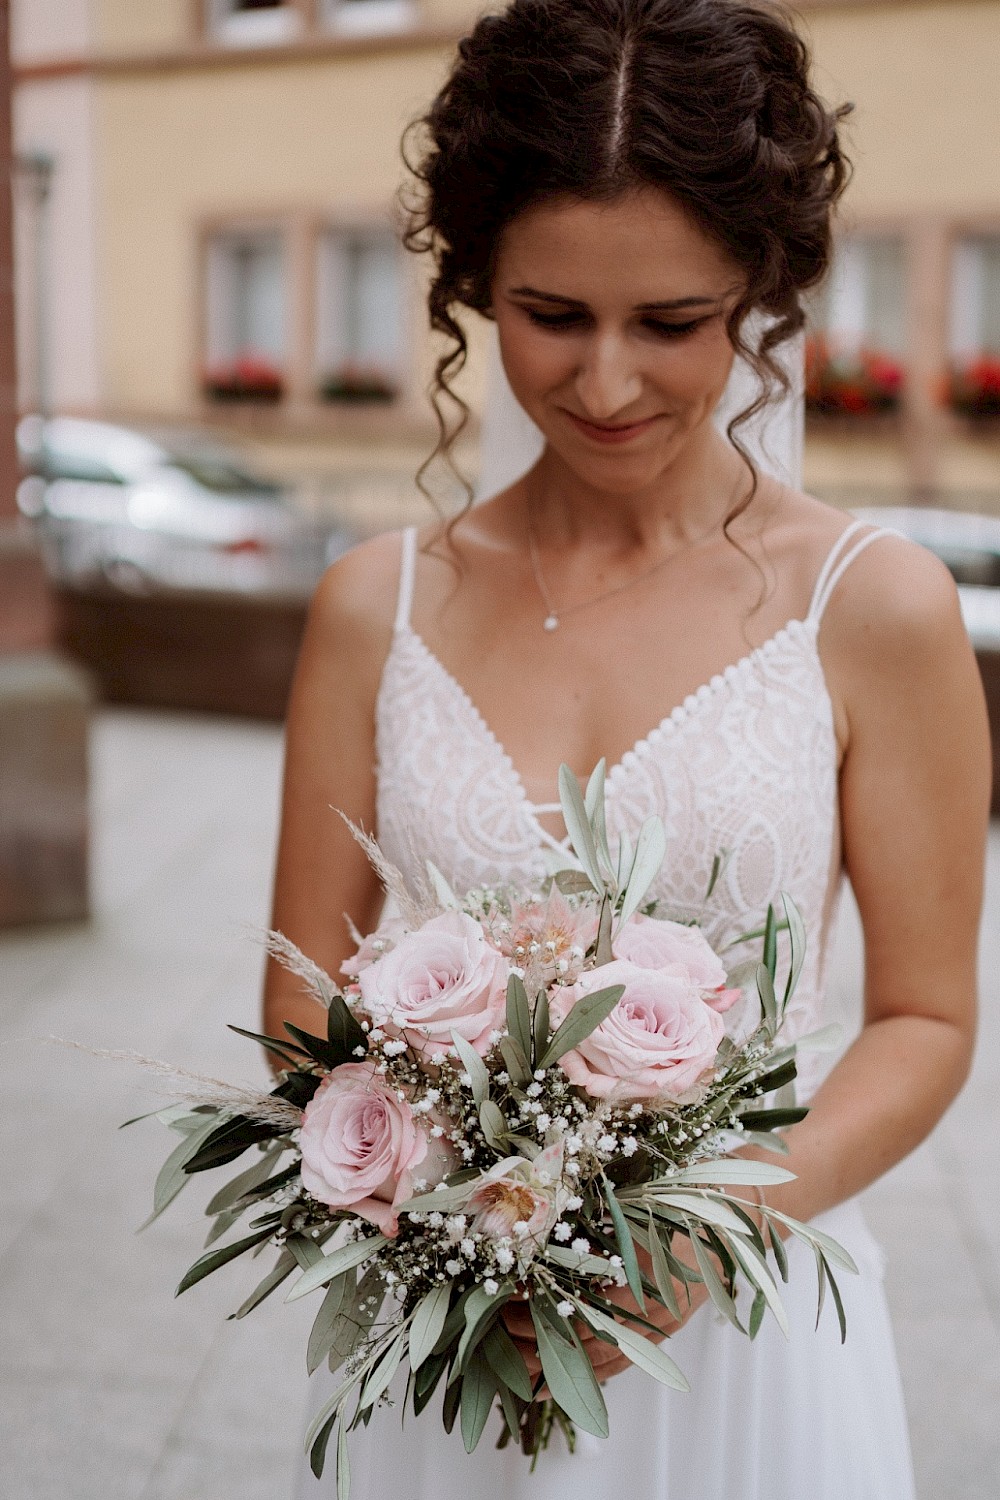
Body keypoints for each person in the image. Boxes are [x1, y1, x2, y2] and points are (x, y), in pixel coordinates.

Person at [265, 2, 990, 1495]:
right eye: (551, 315)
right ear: (474, 287)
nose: (605, 385)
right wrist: (449, 1202)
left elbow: (925, 1020)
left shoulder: (877, 608)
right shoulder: (371, 607)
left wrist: (705, 1220)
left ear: (763, 293)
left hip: (748, 1327)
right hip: (456, 1343)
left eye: (671, 324)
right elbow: (297, 1015)